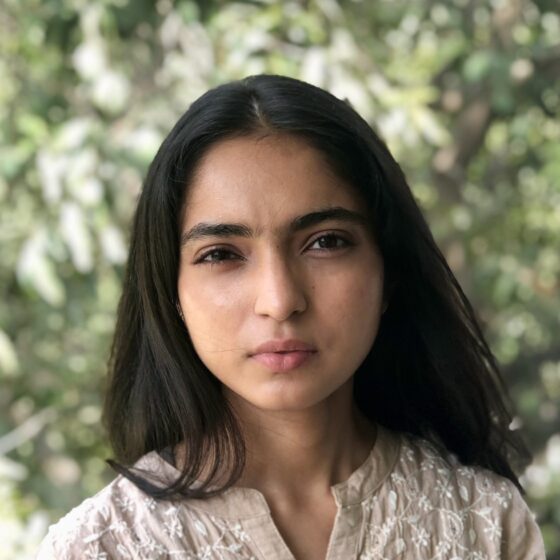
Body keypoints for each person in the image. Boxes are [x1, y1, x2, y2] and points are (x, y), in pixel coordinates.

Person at [37, 75, 545, 559]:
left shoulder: (487, 522)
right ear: (170, 291)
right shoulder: (99, 548)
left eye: (325, 242)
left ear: (388, 272)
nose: (279, 300)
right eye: (221, 254)